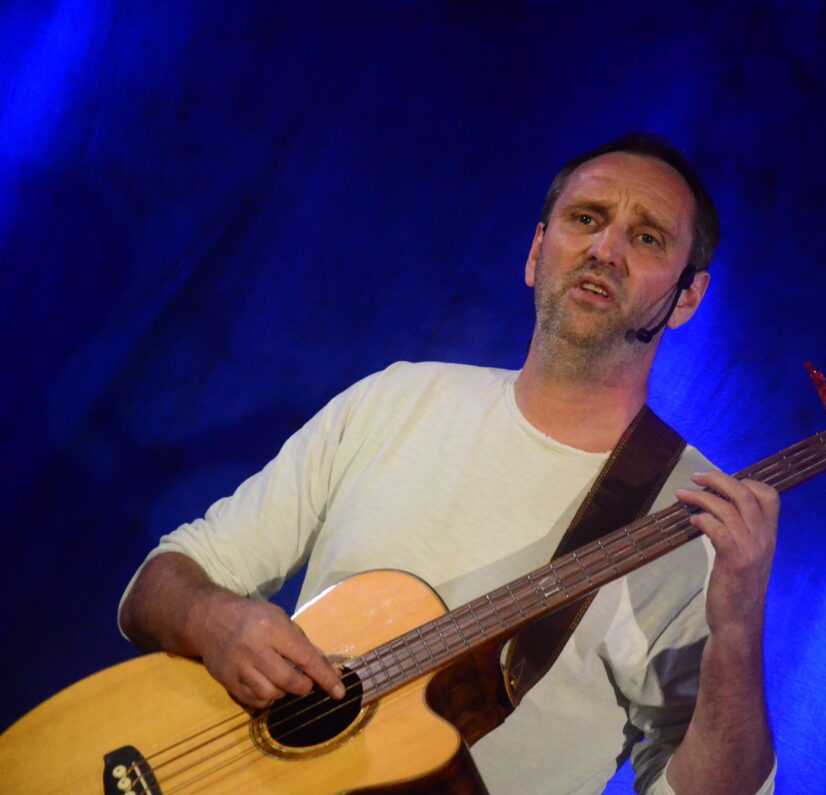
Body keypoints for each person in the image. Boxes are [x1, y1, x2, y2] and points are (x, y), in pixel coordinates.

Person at [119, 132, 779, 794]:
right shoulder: (397, 399)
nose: (605, 250)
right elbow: (159, 584)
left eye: (647, 238)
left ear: (687, 297)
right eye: (586, 219)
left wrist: (738, 625)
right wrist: (214, 621)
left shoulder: (697, 526)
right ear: (536, 252)